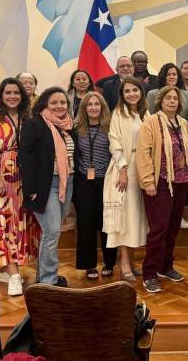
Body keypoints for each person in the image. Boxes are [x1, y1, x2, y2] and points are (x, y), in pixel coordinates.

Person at [0, 77, 40, 296]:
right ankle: (14, 275)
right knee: (2, 223)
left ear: (23, 96)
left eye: (16, 92)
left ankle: (7, 268)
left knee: (20, 223)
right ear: (1, 96)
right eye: (8, 93)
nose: (12, 96)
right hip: (0, 178)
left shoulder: (28, 117)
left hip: (23, 178)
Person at [137, 85, 188, 293]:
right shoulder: (151, 122)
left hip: (181, 181)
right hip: (159, 182)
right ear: (160, 101)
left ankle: (166, 266)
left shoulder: (183, 123)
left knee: (173, 227)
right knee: (158, 229)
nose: (172, 101)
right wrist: (147, 181)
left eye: (175, 99)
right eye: (168, 98)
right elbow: (143, 152)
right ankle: (149, 273)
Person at [19, 87, 75, 287]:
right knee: (52, 232)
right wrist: (30, 189)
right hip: (45, 186)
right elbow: (25, 158)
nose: (59, 106)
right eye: (54, 102)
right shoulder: (34, 124)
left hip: (66, 182)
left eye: (63, 102)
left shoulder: (67, 126)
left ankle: (44, 277)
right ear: (44, 104)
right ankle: (49, 282)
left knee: (52, 232)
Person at [103, 77, 150, 282]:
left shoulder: (146, 114)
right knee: (124, 217)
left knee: (136, 218)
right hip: (125, 168)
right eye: (127, 91)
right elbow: (114, 142)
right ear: (122, 95)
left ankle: (131, 260)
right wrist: (122, 169)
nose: (132, 94)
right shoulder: (118, 114)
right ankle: (123, 264)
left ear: (141, 92)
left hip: (143, 168)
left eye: (135, 90)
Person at [72, 92, 117, 279]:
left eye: (96, 104)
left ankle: (109, 262)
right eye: (89, 104)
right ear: (84, 108)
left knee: (106, 223)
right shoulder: (77, 129)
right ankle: (89, 265)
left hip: (106, 181)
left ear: (102, 107)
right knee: (86, 224)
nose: (93, 107)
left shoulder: (110, 127)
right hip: (84, 182)